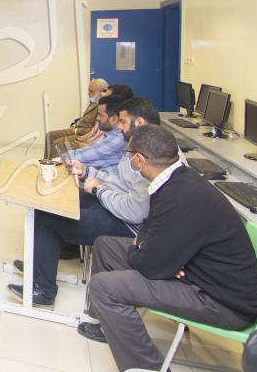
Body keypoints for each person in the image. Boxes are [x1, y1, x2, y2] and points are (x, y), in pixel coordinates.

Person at [82, 124, 257, 372]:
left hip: (221, 301)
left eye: (129, 155)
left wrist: (145, 252)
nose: (128, 160)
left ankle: (148, 367)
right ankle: (105, 324)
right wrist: (153, 253)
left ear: (140, 160)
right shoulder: (173, 179)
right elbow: (148, 226)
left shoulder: (181, 196)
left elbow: (150, 266)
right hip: (197, 273)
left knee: (104, 287)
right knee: (106, 246)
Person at [8, 97, 162, 305]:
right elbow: (116, 179)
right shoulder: (139, 144)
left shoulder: (152, 155)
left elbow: (135, 212)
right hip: (117, 206)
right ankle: (39, 264)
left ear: (140, 122)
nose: (118, 127)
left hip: (129, 226)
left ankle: (43, 290)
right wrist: (86, 171)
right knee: (52, 203)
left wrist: (99, 191)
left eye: (123, 122)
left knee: (48, 220)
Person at [45, 78, 108, 159]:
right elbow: (83, 118)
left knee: (57, 143)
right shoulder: (93, 102)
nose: (88, 93)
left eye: (91, 91)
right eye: (88, 91)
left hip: (82, 134)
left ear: (102, 92)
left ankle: (54, 163)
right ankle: (46, 161)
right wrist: (74, 125)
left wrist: (76, 131)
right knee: (50, 135)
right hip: (77, 129)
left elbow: (93, 129)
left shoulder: (102, 108)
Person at [60, 94, 127, 169]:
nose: (97, 118)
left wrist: (62, 158)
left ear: (114, 119)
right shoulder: (111, 134)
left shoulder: (117, 138)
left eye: (100, 115)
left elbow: (77, 157)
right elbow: (90, 154)